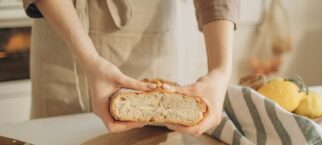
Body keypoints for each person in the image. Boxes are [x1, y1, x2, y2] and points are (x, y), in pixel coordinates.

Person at [23, 0, 240, 136]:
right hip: (60, 28)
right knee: (54, 144)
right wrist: (90, 60)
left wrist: (220, 71)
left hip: (145, 35)